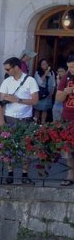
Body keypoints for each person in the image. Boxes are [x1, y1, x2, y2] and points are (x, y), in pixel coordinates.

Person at [0, 56, 39, 184]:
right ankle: (10, 174)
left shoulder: (30, 80)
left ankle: (24, 175)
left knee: (26, 147)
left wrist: (17, 100)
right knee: (8, 146)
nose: (6, 71)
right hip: (9, 118)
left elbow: (35, 100)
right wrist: (1, 120)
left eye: (8, 69)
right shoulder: (6, 81)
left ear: (16, 67)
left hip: (25, 118)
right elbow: (1, 103)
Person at [54, 56, 74, 186]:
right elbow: (58, 98)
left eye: (73, 67)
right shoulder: (66, 78)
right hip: (68, 118)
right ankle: (70, 175)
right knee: (69, 148)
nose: (70, 69)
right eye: (69, 67)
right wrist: (66, 93)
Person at [34, 57, 56, 124]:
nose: (45, 65)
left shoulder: (51, 72)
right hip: (40, 93)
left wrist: (52, 92)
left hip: (48, 93)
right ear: (40, 65)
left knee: (45, 109)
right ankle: (35, 123)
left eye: (46, 63)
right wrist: (46, 72)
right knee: (37, 109)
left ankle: (43, 124)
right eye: (43, 64)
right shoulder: (37, 72)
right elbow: (40, 82)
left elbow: (53, 83)